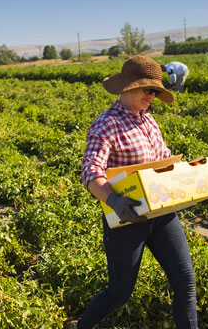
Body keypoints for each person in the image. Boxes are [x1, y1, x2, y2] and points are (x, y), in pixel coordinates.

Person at [72, 55, 197, 329]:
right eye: (149, 90)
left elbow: (162, 157)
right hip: (126, 218)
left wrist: (192, 178)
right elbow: (91, 172)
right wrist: (114, 200)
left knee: (185, 283)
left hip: (162, 212)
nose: (153, 96)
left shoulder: (149, 120)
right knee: (120, 292)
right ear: (129, 87)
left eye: (156, 91)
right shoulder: (107, 124)